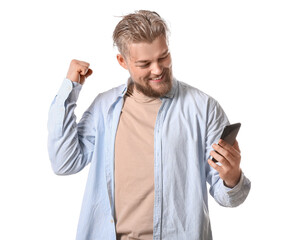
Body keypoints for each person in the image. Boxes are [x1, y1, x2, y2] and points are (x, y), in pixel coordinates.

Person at [47, 10, 251, 240]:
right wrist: (69, 88)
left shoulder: (203, 108)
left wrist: (232, 177)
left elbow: (230, 198)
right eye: (145, 63)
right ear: (122, 61)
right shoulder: (104, 108)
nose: (157, 69)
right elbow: (64, 162)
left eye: (163, 57)